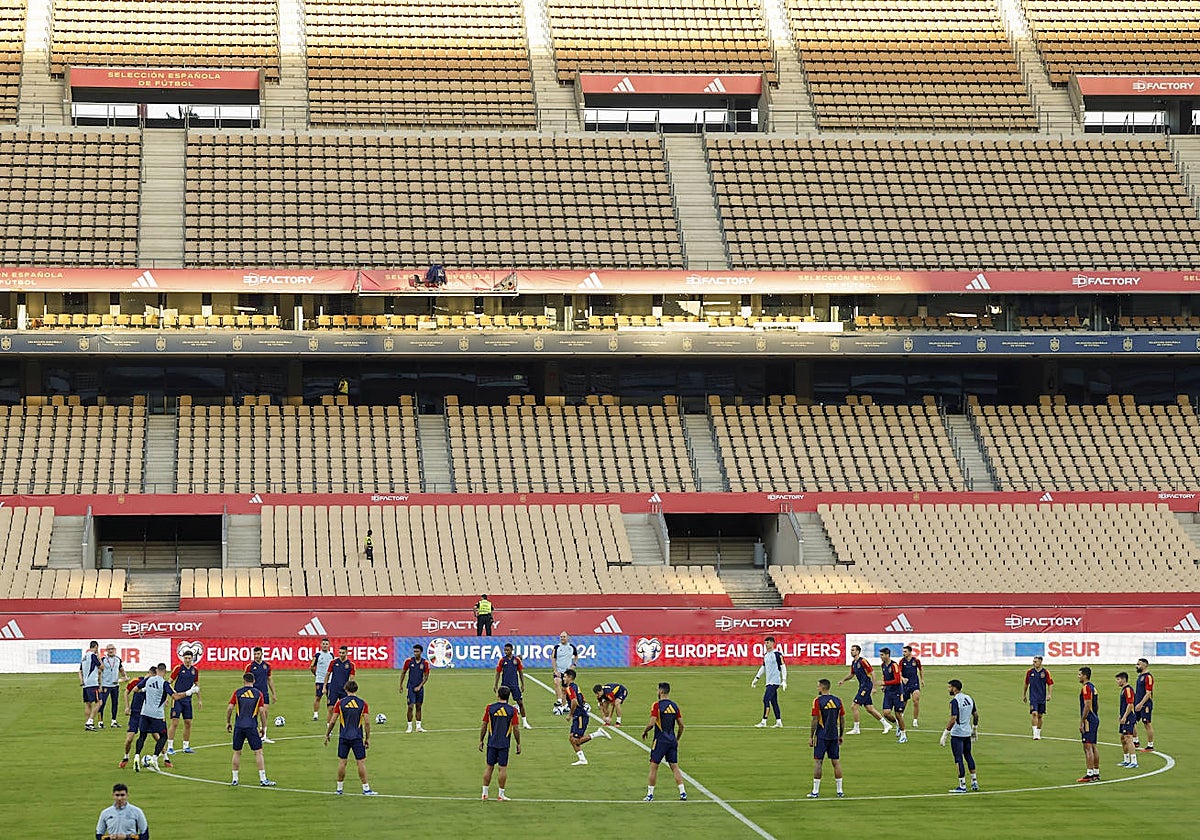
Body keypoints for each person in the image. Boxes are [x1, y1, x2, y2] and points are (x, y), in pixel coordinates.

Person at [133, 662, 196, 771]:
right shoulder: (164, 683)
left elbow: (135, 690)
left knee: (142, 736)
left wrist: (144, 690)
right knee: (163, 736)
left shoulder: (148, 679)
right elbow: (175, 697)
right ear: (165, 672)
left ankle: (136, 756)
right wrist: (190, 692)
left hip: (144, 713)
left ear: (156, 670)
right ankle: (155, 757)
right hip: (157, 715)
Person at [324, 680, 378, 795]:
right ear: (356, 690)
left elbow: (333, 721)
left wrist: (327, 734)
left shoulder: (340, 703)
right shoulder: (363, 703)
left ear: (346, 689)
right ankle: (366, 788)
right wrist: (367, 738)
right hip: (357, 737)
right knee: (361, 763)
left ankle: (339, 789)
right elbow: (367, 722)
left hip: (343, 737)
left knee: (342, 762)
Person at [227, 671, 276, 787]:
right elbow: (262, 711)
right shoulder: (258, 694)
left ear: (244, 680)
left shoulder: (237, 693)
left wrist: (228, 722)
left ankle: (235, 779)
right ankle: (263, 779)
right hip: (251, 727)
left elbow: (229, 708)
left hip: (239, 726)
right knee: (258, 752)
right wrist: (263, 727)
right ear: (254, 681)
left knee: (237, 752)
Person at [641, 681, 686, 801]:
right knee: (674, 766)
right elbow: (681, 725)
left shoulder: (657, 705)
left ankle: (650, 794)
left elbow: (651, 723)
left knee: (654, 767)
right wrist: (677, 739)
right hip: (672, 740)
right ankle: (682, 792)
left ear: (661, 691)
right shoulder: (674, 706)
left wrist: (645, 731)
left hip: (660, 741)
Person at [480, 684, 522, 800]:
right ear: (508, 696)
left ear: (498, 695)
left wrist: (481, 740)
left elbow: (484, 725)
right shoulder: (512, 710)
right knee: (502, 768)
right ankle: (501, 794)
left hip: (491, 742)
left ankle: (484, 793)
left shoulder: (490, 708)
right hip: (504, 744)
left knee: (489, 767)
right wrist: (518, 743)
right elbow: (516, 728)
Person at [837, 645, 890, 735]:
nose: (851, 652)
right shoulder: (854, 662)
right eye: (851, 650)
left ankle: (856, 728)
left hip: (866, 686)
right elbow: (851, 674)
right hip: (862, 686)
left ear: (858, 652)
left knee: (854, 706)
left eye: (853, 650)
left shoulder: (863, 661)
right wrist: (843, 680)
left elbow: (872, 672)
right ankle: (886, 725)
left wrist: (873, 687)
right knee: (870, 709)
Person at [807, 678, 845, 798]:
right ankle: (839, 791)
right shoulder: (838, 701)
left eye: (818, 686)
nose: (817, 688)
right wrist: (841, 735)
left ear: (823, 687)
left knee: (819, 762)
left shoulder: (817, 701)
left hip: (822, 736)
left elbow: (815, 720)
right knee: (836, 762)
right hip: (834, 735)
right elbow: (842, 719)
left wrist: (811, 736)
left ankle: (815, 791)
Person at [565, 667, 610, 765]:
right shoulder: (575, 686)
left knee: (576, 740)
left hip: (580, 716)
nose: (564, 679)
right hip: (579, 715)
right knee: (571, 738)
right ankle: (582, 759)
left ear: (569, 677)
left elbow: (574, 701)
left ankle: (598, 733)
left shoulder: (569, 688)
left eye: (565, 677)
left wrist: (570, 714)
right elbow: (582, 698)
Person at [940, 679, 979, 793]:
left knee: (958, 758)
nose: (948, 689)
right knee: (968, 756)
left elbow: (953, 719)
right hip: (967, 732)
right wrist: (974, 729)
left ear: (955, 688)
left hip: (957, 733)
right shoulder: (969, 698)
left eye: (949, 687)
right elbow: (976, 715)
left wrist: (945, 733)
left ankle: (962, 785)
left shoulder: (955, 701)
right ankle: (974, 782)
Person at [166, 650, 201, 755]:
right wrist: (169, 696)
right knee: (175, 722)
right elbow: (169, 682)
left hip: (187, 700)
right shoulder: (178, 668)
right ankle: (170, 747)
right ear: (183, 659)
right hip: (177, 700)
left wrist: (199, 699)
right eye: (186, 658)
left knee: (188, 723)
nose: (187, 660)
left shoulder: (195, 670)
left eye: (189, 658)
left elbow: (197, 685)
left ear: (192, 659)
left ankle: (186, 746)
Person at [119, 667, 152, 769]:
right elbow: (126, 692)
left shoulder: (153, 684)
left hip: (147, 714)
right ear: (148, 673)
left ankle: (166, 758)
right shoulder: (136, 681)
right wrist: (127, 707)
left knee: (157, 736)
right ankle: (126, 757)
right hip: (135, 714)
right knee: (129, 739)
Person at [751, 635, 787, 728]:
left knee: (766, 699)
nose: (766, 645)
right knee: (774, 701)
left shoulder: (777, 654)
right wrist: (756, 678)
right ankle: (779, 721)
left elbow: (783, 667)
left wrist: (784, 680)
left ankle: (764, 721)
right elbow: (763, 667)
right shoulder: (766, 655)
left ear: (773, 643)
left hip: (775, 681)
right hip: (768, 681)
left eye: (768, 642)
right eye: (765, 643)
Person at [494, 642, 532, 729]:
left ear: (512, 650)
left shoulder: (516, 660)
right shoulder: (502, 660)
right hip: (505, 686)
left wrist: (523, 684)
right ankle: (504, 723)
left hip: (515, 685)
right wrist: (496, 685)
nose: (506, 651)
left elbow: (521, 672)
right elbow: (498, 673)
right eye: (505, 650)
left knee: (520, 703)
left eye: (507, 650)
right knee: (504, 705)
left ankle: (525, 722)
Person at [243, 647, 277, 743]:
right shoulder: (250, 667)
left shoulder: (267, 666)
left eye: (258, 654)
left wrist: (273, 693)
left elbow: (269, 680)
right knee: (254, 714)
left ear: (261, 654)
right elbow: (246, 680)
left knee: (264, 713)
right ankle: (254, 734)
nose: (256, 656)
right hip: (253, 693)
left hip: (264, 693)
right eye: (255, 654)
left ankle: (264, 735)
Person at [878, 647, 908, 743]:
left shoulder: (894, 665)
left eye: (882, 655)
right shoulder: (883, 665)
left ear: (887, 655)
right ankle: (897, 724)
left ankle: (903, 735)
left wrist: (884, 683)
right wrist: (884, 686)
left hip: (897, 693)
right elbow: (884, 675)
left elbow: (897, 680)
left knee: (898, 714)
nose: (881, 657)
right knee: (886, 713)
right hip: (888, 692)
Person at [1077, 667, 1101, 783]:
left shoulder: (1086, 688)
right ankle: (1096, 773)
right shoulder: (1093, 687)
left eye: (1080, 674)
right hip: (1094, 718)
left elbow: (1087, 705)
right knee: (1093, 746)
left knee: (1087, 747)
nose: (1078, 676)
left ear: (1085, 676)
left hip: (1089, 720)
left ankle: (1089, 774)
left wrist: (1083, 720)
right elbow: (1097, 704)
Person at [1022, 655, 1053, 740]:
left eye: (1035, 661)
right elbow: (1026, 684)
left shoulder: (1045, 672)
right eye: (1033, 661)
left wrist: (1049, 694)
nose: (1034, 663)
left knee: (1040, 715)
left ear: (1040, 662)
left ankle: (1038, 732)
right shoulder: (1029, 672)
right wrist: (1024, 695)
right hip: (1033, 698)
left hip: (1042, 697)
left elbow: (1050, 684)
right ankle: (1035, 734)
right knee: (1034, 713)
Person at [400, 643, 430, 733]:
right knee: (410, 707)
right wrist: (400, 685)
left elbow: (426, 677)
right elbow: (403, 673)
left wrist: (420, 686)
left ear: (421, 652)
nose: (415, 653)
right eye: (414, 651)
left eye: (417, 651)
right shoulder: (408, 661)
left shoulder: (425, 663)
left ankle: (418, 726)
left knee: (419, 707)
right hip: (411, 687)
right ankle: (409, 727)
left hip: (419, 689)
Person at [99, 643, 127, 730]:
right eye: (109, 649)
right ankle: (100, 722)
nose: (111, 650)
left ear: (114, 650)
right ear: (106, 651)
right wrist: (99, 684)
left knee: (115, 703)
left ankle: (113, 721)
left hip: (115, 685)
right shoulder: (103, 659)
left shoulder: (118, 659)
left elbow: (121, 670)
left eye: (112, 649)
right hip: (105, 685)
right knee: (102, 703)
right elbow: (99, 672)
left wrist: (124, 677)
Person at [1116, 672, 1139, 769]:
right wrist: (1121, 715)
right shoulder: (1124, 690)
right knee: (1123, 738)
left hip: (1129, 717)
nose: (1117, 681)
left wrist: (1125, 716)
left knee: (1128, 738)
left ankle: (1134, 761)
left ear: (1124, 679)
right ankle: (1126, 759)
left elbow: (1130, 704)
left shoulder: (1128, 690)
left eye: (1118, 679)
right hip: (1124, 717)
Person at [551, 632, 579, 711]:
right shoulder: (557, 647)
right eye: (561, 637)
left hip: (567, 672)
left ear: (568, 638)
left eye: (564, 637)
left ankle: (564, 705)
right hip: (559, 671)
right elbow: (553, 658)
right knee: (557, 682)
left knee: (564, 690)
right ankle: (559, 700)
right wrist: (555, 670)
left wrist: (574, 665)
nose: (562, 638)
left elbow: (576, 656)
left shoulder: (571, 647)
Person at [325, 644, 356, 714]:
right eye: (340, 653)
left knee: (345, 710)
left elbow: (352, 679)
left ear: (347, 653)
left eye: (343, 653)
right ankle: (328, 725)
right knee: (330, 708)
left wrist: (351, 691)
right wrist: (324, 686)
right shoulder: (333, 662)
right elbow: (327, 674)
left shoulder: (351, 665)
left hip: (344, 690)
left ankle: (344, 724)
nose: (341, 654)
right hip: (333, 689)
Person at [311, 638, 335, 721]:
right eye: (323, 644)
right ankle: (315, 714)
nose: (325, 645)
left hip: (330, 680)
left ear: (329, 645)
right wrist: (316, 675)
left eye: (326, 644)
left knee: (330, 698)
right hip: (320, 680)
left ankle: (330, 714)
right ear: (321, 645)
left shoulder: (331, 655)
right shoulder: (318, 655)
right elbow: (312, 666)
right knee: (318, 697)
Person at [1133, 657, 1154, 752]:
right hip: (1137, 704)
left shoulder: (1148, 677)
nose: (1136, 666)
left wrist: (1141, 703)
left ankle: (1150, 746)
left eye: (1138, 664)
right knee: (1132, 721)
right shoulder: (1140, 676)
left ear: (1144, 665)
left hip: (1145, 704)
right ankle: (1135, 741)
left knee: (1147, 724)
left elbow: (1148, 693)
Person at [899, 644, 923, 726]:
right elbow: (899, 672)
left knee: (915, 701)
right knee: (904, 702)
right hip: (905, 684)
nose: (903, 653)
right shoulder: (902, 661)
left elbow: (920, 669)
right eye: (903, 652)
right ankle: (901, 715)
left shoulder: (916, 660)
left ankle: (915, 720)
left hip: (914, 683)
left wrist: (922, 679)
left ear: (910, 652)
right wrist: (902, 678)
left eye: (905, 652)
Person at [81, 640, 103, 731]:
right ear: (96, 647)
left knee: (88, 704)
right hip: (93, 683)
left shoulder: (84, 657)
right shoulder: (93, 655)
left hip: (86, 683)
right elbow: (101, 667)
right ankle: (90, 721)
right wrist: (99, 657)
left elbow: (81, 670)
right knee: (99, 702)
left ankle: (87, 723)